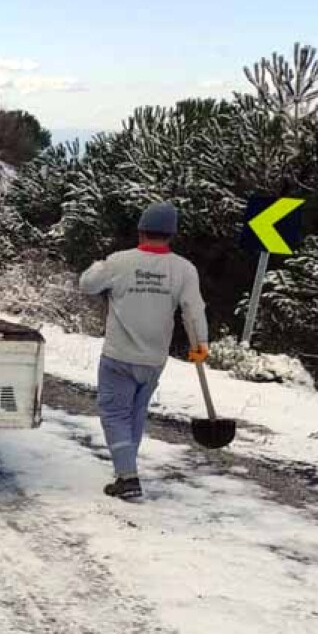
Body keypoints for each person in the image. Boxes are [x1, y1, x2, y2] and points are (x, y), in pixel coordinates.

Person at [78, 202, 209, 500]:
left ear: (141, 230)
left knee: (114, 414)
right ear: (171, 234)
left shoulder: (120, 262)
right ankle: (127, 469)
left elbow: (87, 284)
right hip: (154, 359)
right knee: (135, 414)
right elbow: (193, 311)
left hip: (118, 356)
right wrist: (200, 345)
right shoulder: (184, 269)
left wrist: (100, 265)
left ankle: (127, 477)